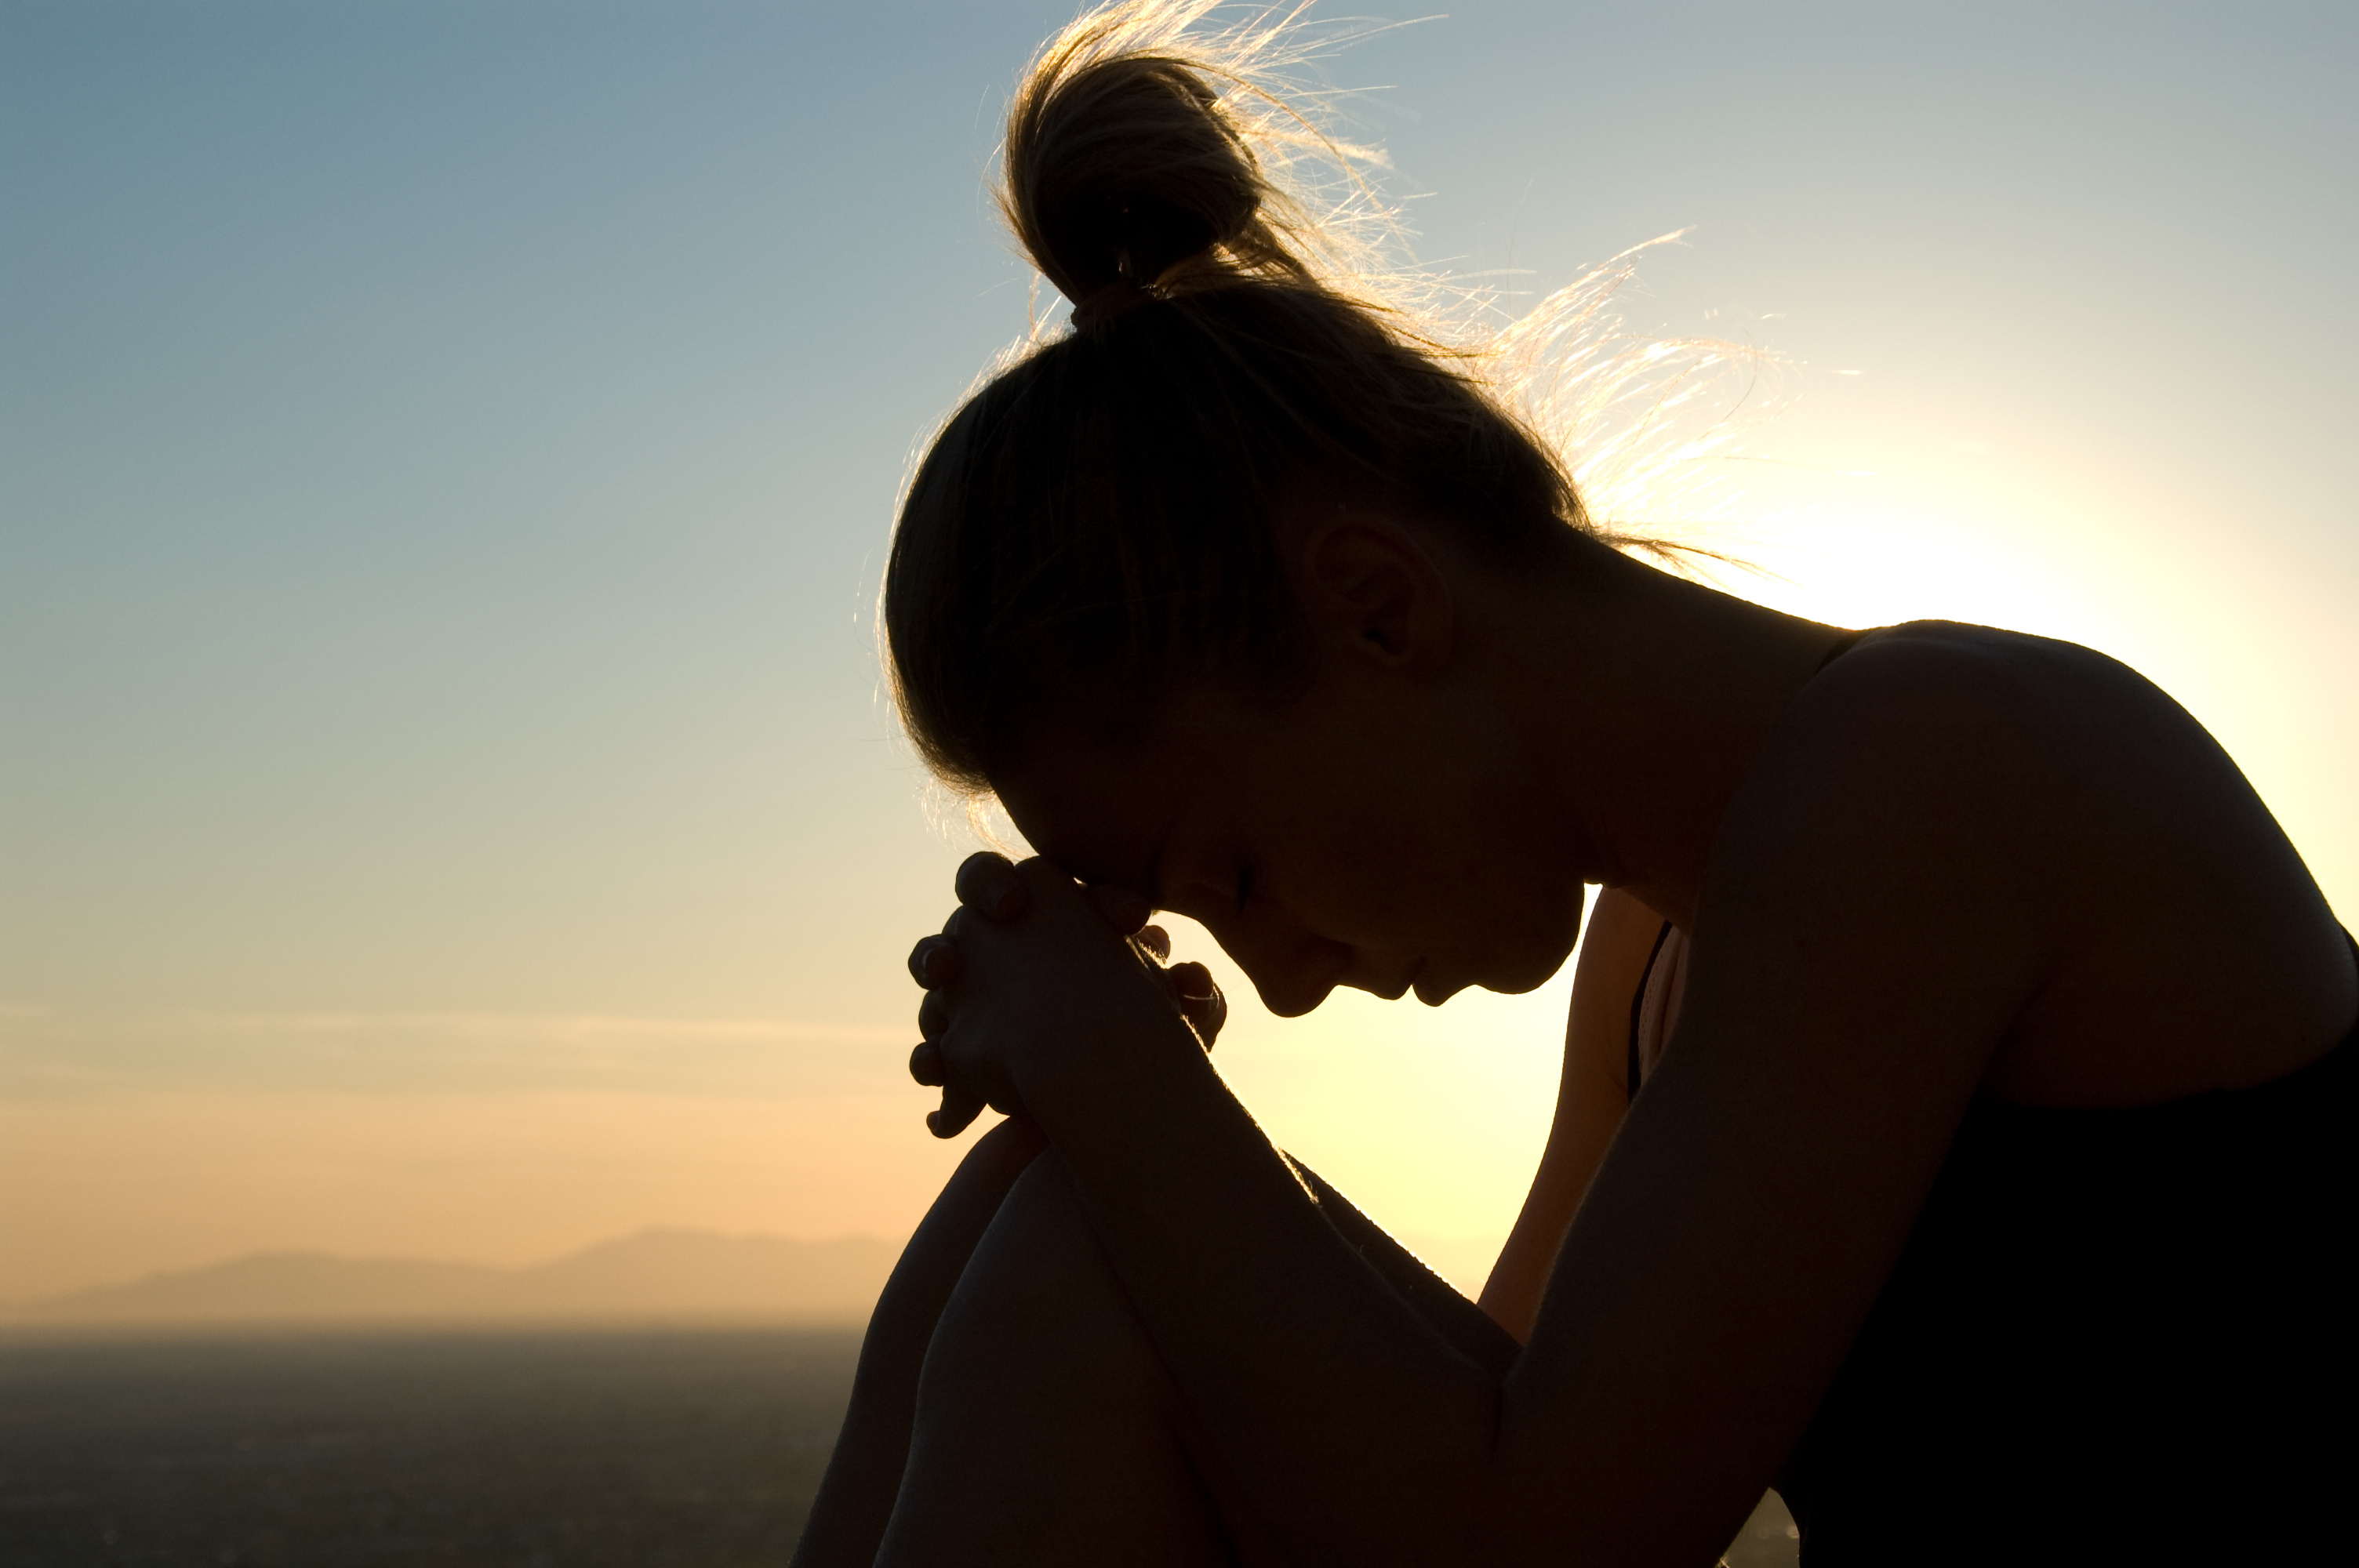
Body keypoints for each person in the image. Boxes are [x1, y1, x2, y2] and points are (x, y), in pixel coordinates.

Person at [792, 5, 2354, 1563]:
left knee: (1083, 1239)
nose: (1278, 986)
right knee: (1033, 1217)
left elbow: (1528, 1538)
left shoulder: (1938, 769)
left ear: (1383, 608)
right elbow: (1454, 1449)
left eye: (1237, 874)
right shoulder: (1661, 954)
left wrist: (1131, 1087)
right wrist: (1103, 1106)